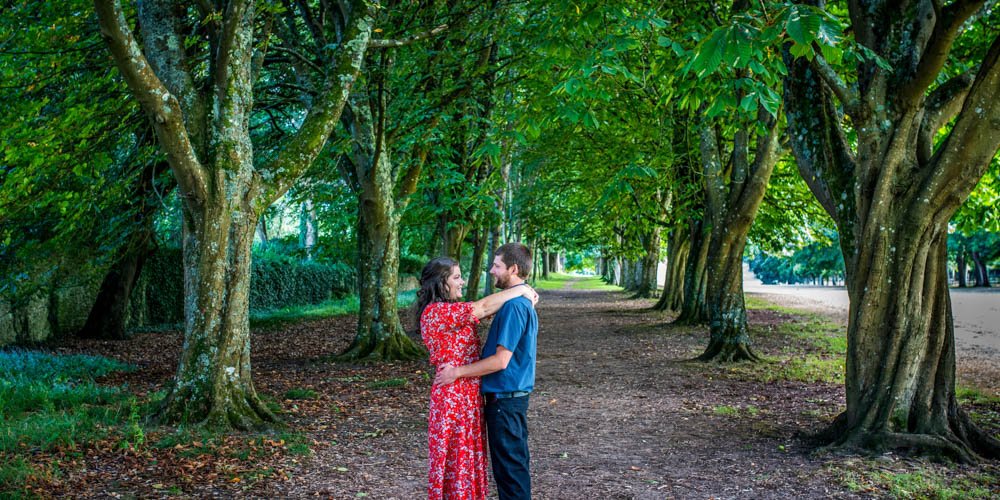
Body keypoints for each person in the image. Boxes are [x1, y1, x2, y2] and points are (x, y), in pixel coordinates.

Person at [417, 256, 538, 500]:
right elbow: (482, 308)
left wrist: (520, 294)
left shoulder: (452, 311)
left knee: (469, 464)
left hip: (468, 396)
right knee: (457, 465)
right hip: (453, 397)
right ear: (441, 283)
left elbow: (491, 309)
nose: (462, 282)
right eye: (456, 277)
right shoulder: (436, 312)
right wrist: (522, 288)